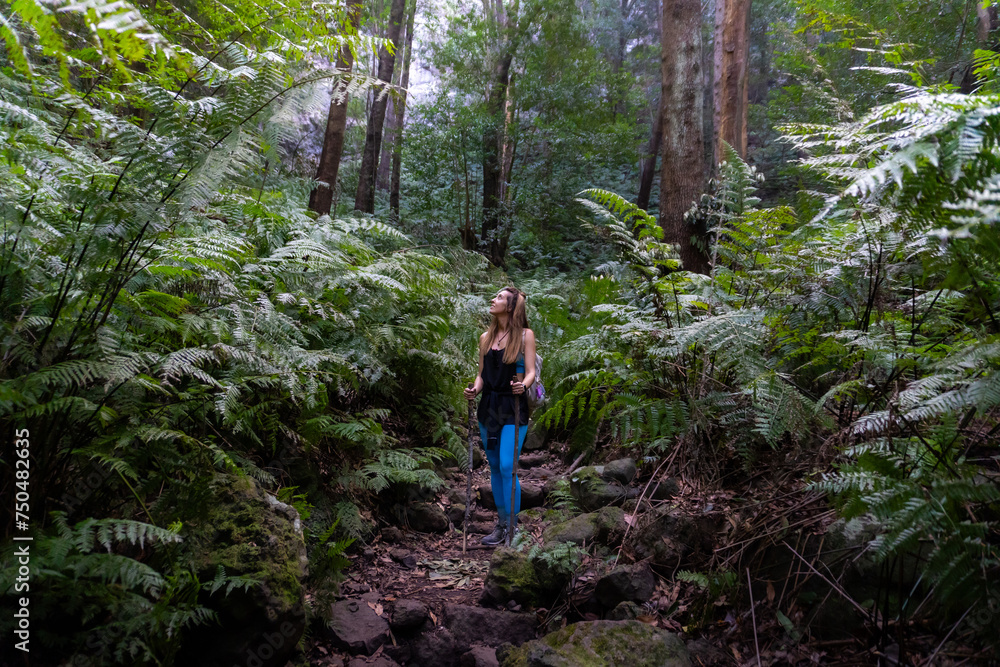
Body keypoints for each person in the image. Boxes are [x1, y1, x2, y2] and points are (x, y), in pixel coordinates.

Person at [464, 287, 537, 546]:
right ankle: (502, 524)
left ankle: (513, 528)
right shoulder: (486, 337)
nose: (493, 300)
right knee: (495, 466)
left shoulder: (525, 335)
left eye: (499, 298)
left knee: (508, 466)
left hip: (513, 406)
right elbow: (481, 374)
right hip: (489, 407)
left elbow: (530, 372)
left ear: (511, 306)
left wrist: (524, 386)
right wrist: (474, 389)